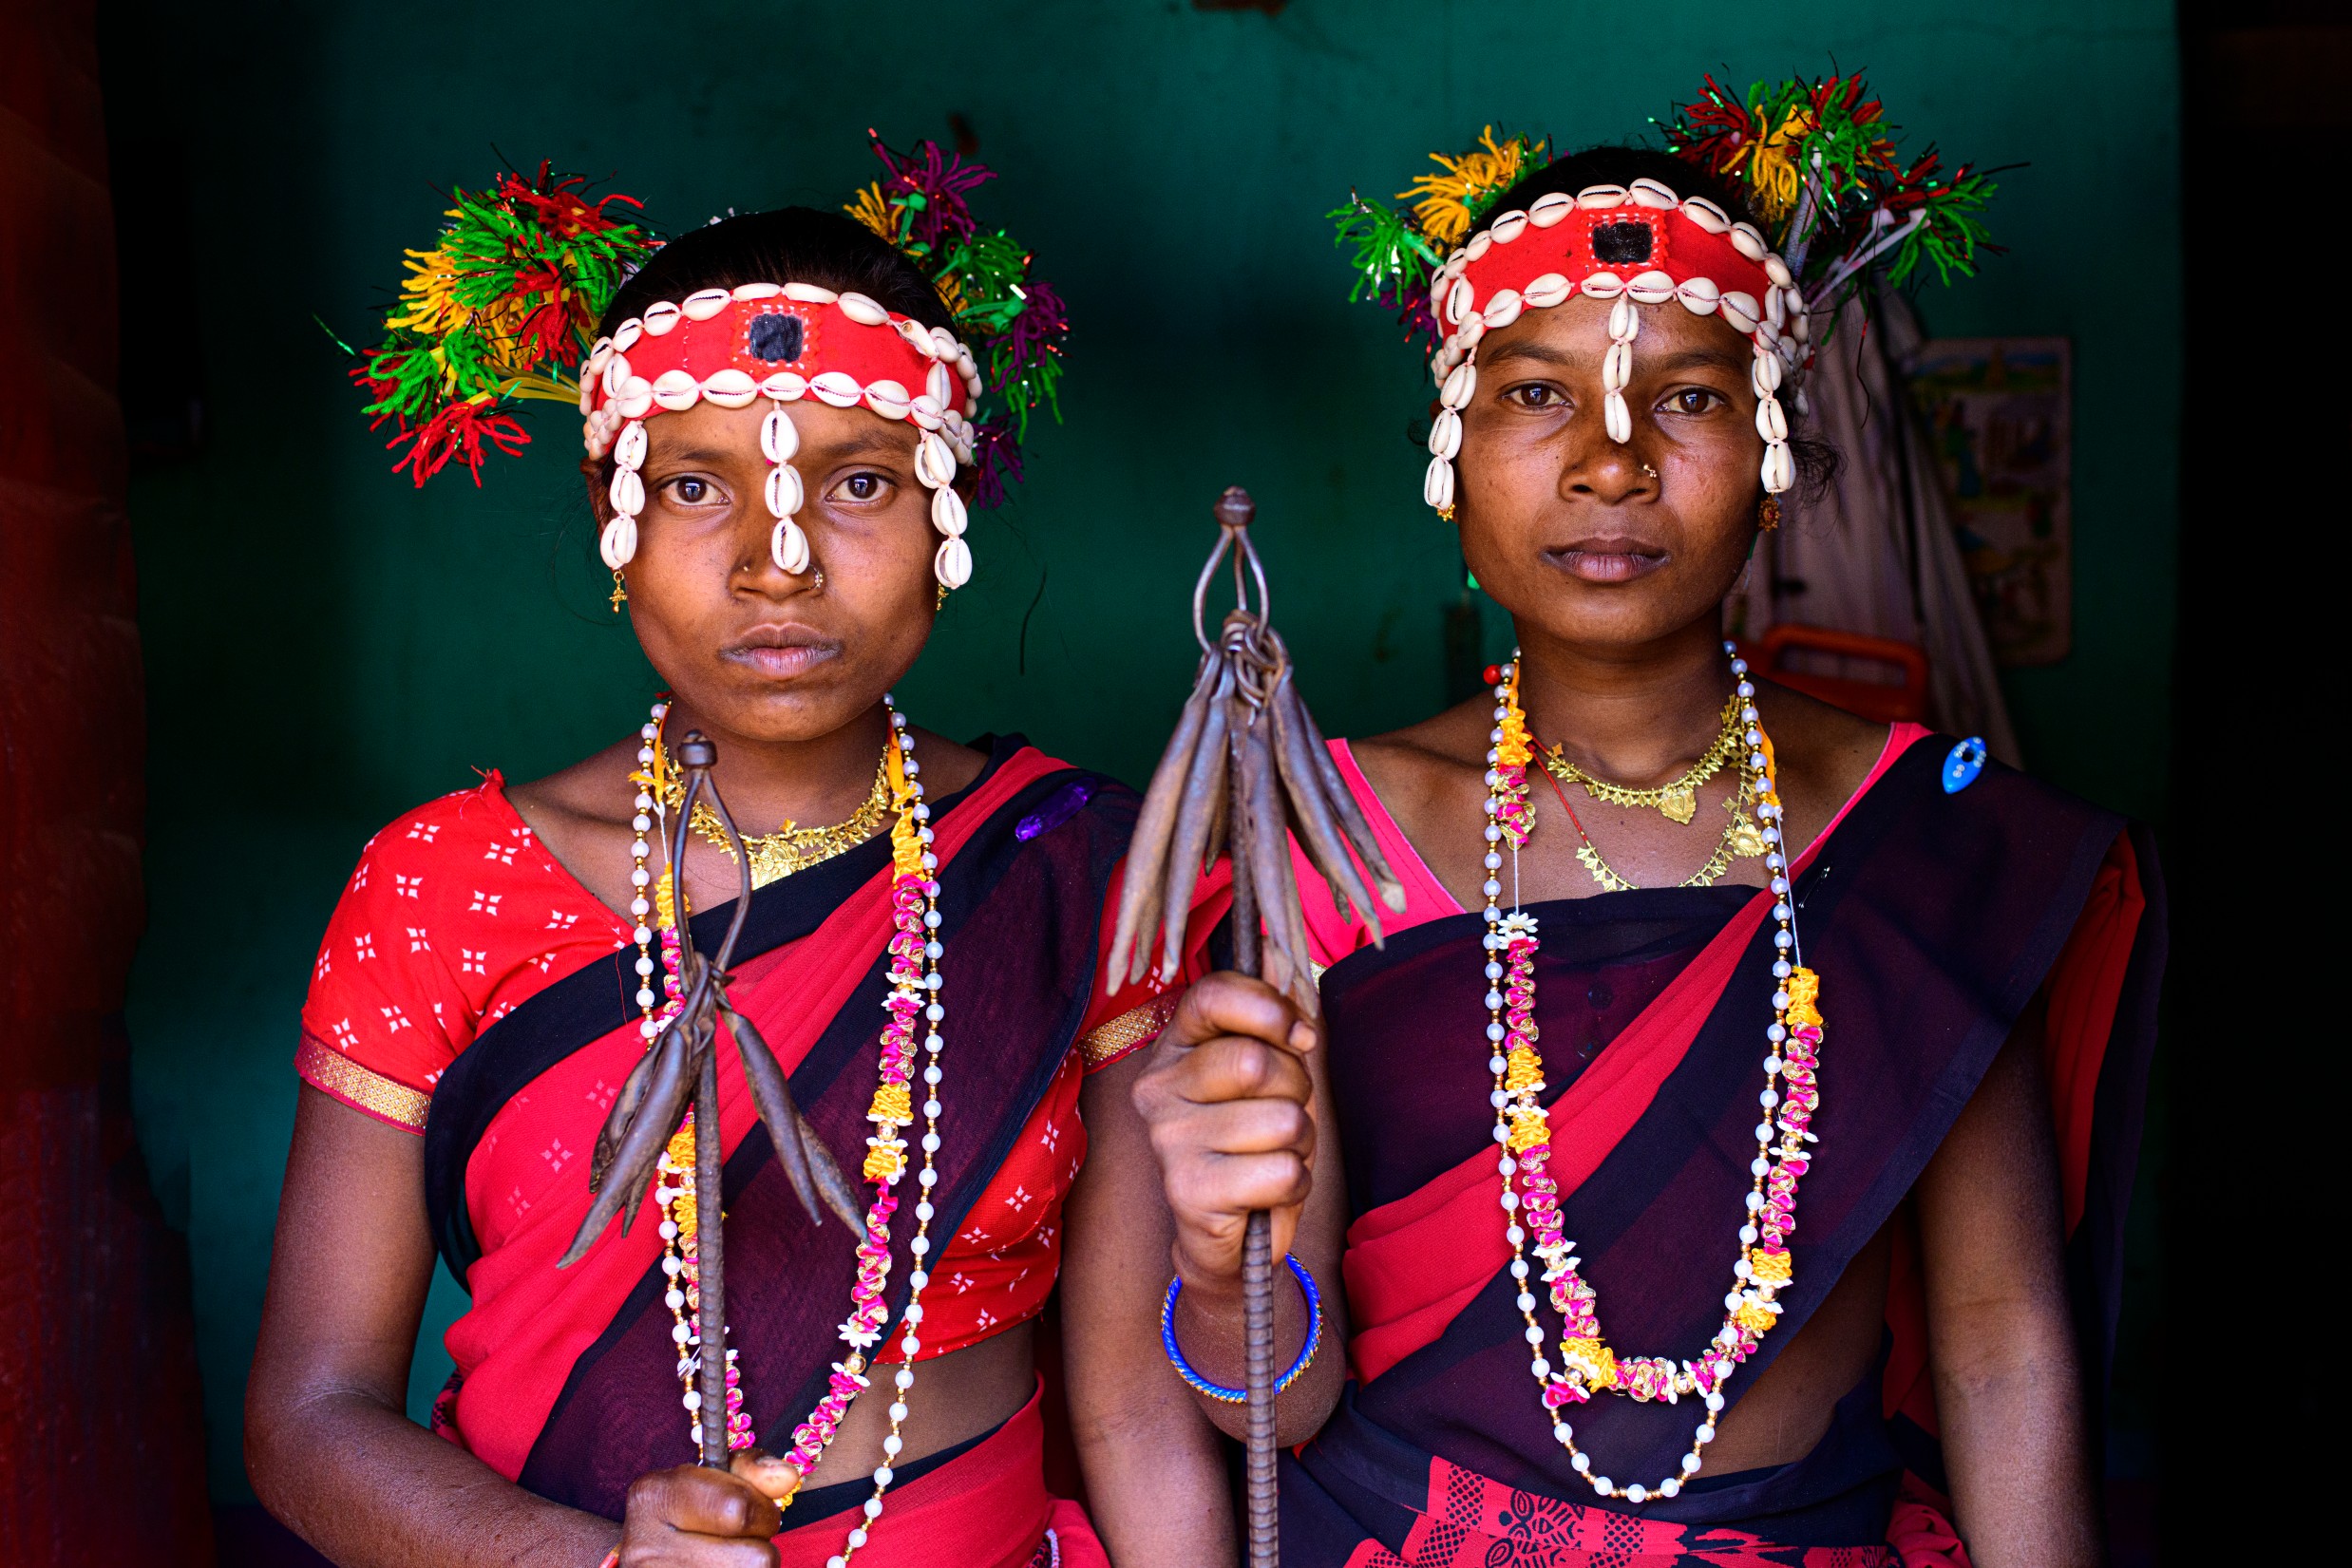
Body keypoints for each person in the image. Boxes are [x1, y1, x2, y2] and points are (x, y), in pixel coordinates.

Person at [1110, 82, 2158, 1566]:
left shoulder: (1921, 839)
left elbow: (1998, 1345)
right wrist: (1223, 1270)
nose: (1612, 460)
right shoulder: (1322, 839)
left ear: (1776, 454)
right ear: (1450, 460)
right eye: (1534, 393)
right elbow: (1273, 1409)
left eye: (1689, 395)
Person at [246, 143, 1223, 1568]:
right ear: (613, 522)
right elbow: (308, 1415)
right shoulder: (444, 881)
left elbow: (1135, 1417)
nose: (779, 562)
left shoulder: (1080, 864)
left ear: (949, 509)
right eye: (698, 489)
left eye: (862, 484)